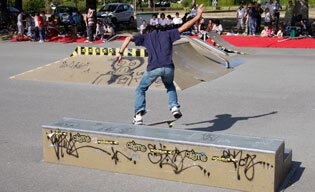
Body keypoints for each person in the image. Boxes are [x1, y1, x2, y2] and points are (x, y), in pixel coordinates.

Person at [116, 4, 205, 125]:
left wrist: (120, 52)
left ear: (147, 32)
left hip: (153, 68)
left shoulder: (145, 37)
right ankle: (174, 107)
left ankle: (138, 116)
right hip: (168, 67)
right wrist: (198, 15)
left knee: (140, 89)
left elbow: (127, 39)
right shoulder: (167, 34)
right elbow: (184, 26)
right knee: (170, 86)